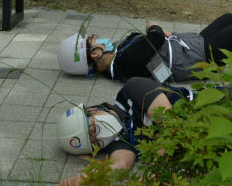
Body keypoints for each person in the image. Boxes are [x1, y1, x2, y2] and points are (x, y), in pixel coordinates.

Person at [57, 14, 232, 83]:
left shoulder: (120, 56)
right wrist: (154, 25)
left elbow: (153, 40)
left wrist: (156, 33)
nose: (99, 38)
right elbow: (157, 36)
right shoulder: (124, 62)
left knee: (229, 19)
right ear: (95, 54)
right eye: (93, 40)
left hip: (192, 46)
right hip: (200, 57)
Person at [56, 77, 193, 186]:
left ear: (91, 111)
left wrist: (154, 171)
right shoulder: (116, 141)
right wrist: (86, 179)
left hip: (205, 112)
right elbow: (121, 165)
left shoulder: (132, 90)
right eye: (95, 143)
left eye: (92, 129)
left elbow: (172, 126)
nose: (100, 136)